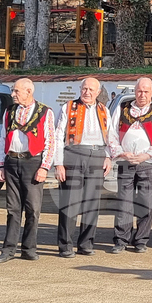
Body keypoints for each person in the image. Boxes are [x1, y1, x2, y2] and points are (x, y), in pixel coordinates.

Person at [0, 78, 56, 264]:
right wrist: (1, 164)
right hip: (12, 162)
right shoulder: (9, 111)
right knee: (13, 209)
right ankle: (8, 249)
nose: (13, 94)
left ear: (29, 91)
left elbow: (50, 142)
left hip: (33, 163)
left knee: (33, 209)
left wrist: (44, 167)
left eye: (16, 91)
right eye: (13, 91)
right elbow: (3, 139)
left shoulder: (45, 112)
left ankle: (29, 248)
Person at [108, 78, 152, 254]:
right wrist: (121, 152)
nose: (142, 95)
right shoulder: (123, 108)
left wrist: (146, 155)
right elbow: (112, 133)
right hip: (126, 162)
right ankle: (121, 240)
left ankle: (141, 240)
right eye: (139, 91)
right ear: (135, 91)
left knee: (147, 203)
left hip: (149, 163)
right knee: (123, 203)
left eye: (146, 91)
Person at [55, 77, 113, 257]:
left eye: (91, 90)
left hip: (97, 155)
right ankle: (65, 245)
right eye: (84, 88)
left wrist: (109, 157)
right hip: (73, 154)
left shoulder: (104, 110)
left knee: (92, 203)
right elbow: (58, 136)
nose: (87, 92)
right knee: (70, 202)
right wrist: (58, 163)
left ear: (98, 92)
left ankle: (86, 244)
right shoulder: (68, 107)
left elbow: (111, 136)